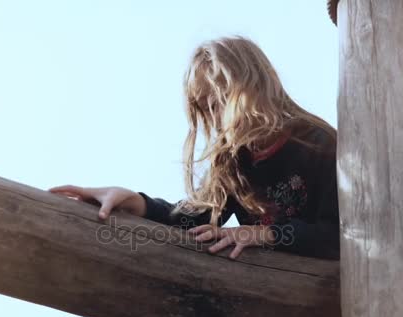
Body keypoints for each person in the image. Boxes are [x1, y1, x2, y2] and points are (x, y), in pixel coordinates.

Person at [49, 36, 339, 260]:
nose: (216, 114)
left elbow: (337, 235)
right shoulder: (232, 163)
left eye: (221, 97)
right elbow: (195, 217)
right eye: (206, 107)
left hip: (331, 293)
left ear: (257, 84)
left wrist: (263, 234)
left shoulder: (318, 142)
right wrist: (134, 201)